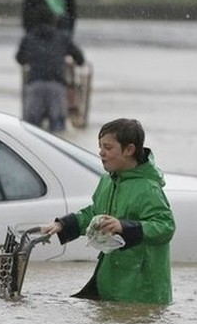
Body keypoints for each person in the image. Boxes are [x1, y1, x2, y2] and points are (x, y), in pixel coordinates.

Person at [41, 118, 176, 304]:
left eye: (108, 148)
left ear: (129, 150)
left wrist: (123, 226)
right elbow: (94, 214)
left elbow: (165, 226)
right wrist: (62, 224)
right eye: (100, 147)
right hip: (111, 282)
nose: (101, 153)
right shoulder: (107, 181)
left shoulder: (148, 188)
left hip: (142, 291)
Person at [16, 6, 85, 133]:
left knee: (31, 129)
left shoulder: (29, 38)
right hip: (56, 87)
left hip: (35, 85)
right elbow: (80, 59)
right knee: (58, 129)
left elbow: (20, 59)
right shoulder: (63, 38)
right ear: (54, 21)